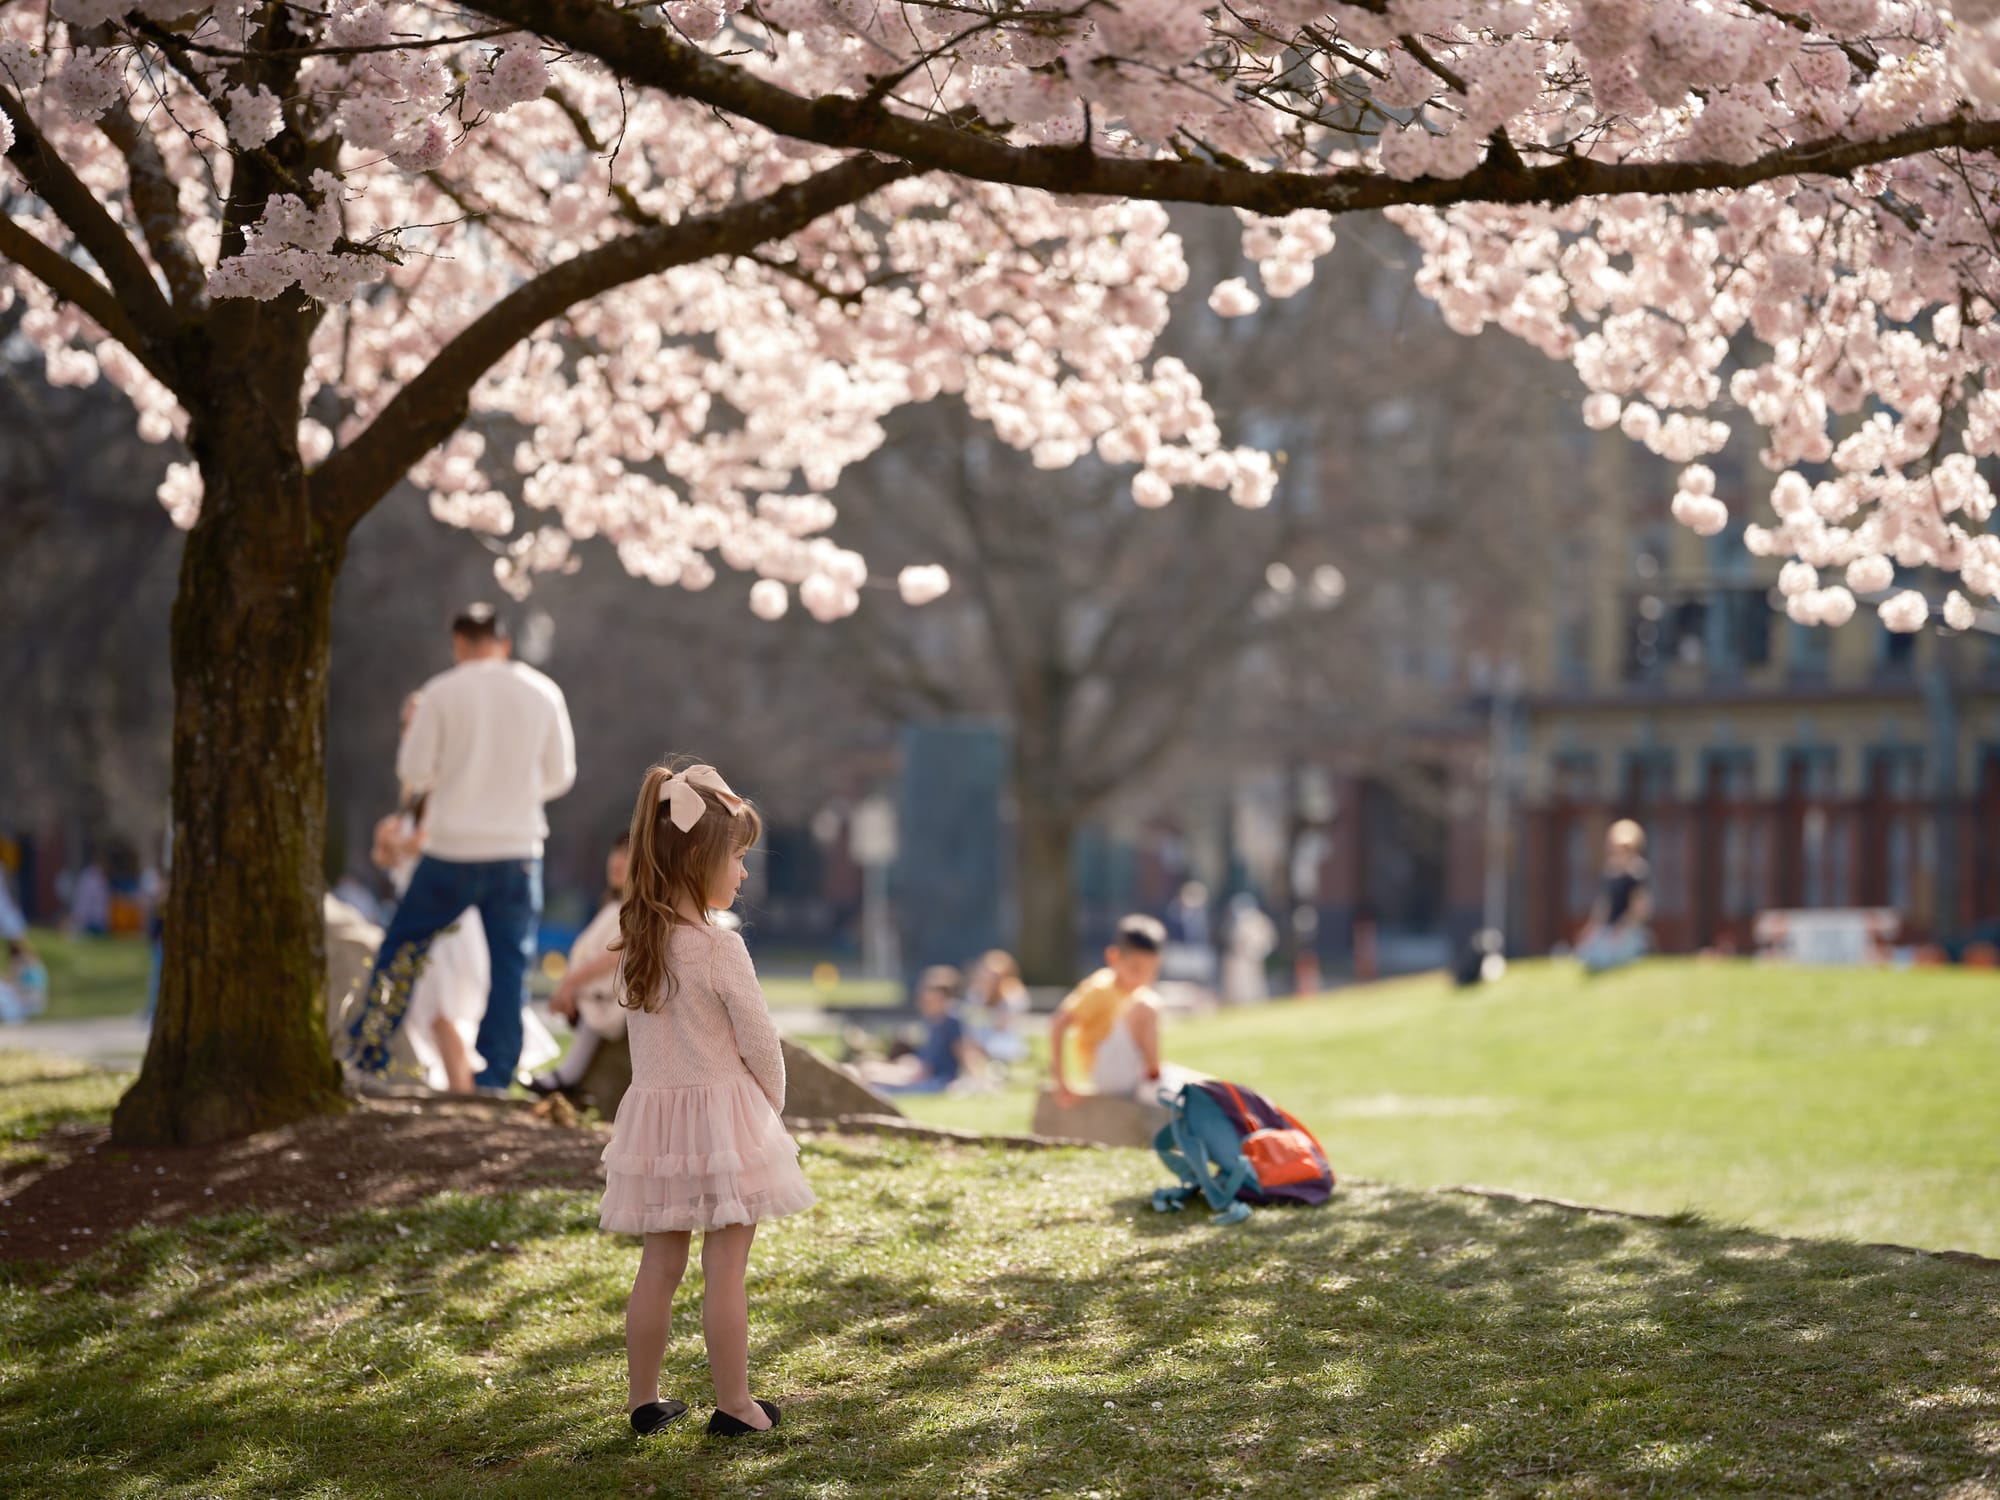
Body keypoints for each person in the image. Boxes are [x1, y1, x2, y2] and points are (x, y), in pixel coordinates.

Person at [598, 760, 814, 1438]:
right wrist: (767, 1112)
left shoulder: (638, 940)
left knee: (659, 1264)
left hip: (657, 1124)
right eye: (738, 859)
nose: (743, 874)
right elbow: (761, 1043)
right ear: (698, 860)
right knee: (726, 1267)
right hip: (724, 1121)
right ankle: (735, 1405)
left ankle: (644, 1400)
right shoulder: (721, 950)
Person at [346, 604, 575, 1092]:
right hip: (516, 848)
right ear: (505, 643)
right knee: (510, 966)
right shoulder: (541, 691)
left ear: (457, 644)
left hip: (451, 848)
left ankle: (368, 1057)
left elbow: (414, 771)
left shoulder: (440, 692)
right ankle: (493, 1075)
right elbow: (560, 777)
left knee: (403, 950)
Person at [527, 832, 633, 1098]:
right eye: (616, 852)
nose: (617, 861)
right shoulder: (613, 907)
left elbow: (615, 955)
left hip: (610, 997)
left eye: (627, 854)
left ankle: (568, 1076)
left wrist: (571, 983)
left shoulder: (634, 911)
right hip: (592, 992)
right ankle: (568, 1074)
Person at [1050, 914, 1185, 1106]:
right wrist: (1061, 1081)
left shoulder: (1135, 992)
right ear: (1113, 957)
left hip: (1128, 1067)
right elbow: (1058, 1023)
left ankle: (1154, 1078)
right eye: (1136, 969)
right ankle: (1153, 1081)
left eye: (1150, 971)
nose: (1143, 979)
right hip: (1105, 1070)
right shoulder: (1101, 987)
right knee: (1147, 1005)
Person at [856, 967, 979, 1094]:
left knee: (872, 1080)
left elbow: (964, 1052)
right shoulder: (931, 1021)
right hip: (917, 1070)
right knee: (867, 1069)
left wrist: (977, 1079)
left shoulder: (952, 1022)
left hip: (934, 1079)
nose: (926, 1000)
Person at [1577, 819, 1653, 975]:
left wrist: (1621, 930)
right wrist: (1592, 927)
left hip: (1628, 930)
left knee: (1612, 957)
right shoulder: (1610, 872)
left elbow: (1640, 909)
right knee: (1589, 954)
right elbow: (1604, 904)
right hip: (1609, 929)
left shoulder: (1637, 873)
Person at [963, 950, 1030, 1066]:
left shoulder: (1013, 996)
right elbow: (971, 1023)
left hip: (1004, 1041)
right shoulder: (976, 994)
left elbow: (1003, 1026)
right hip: (979, 1039)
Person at [1220, 893, 1277, 1004]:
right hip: (1240, 959)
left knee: (1255, 982)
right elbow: (1232, 939)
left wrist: (1260, 949)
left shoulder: (1260, 920)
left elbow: (1269, 937)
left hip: (1254, 958)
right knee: (1240, 984)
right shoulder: (1236, 921)